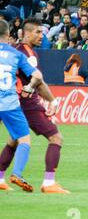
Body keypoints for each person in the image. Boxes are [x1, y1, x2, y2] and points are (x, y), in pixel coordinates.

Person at [0, 18, 70, 194]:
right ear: (25, 33)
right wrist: (52, 100)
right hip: (26, 104)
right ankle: (48, 183)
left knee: (14, 140)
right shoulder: (27, 54)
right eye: (37, 32)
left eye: (42, 32)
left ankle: (0, 178)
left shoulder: (14, 50)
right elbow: (37, 80)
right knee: (56, 138)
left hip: (11, 102)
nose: (41, 36)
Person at [0, 19, 43, 192]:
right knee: (24, 140)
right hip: (9, 103)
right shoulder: (16, 54)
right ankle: (16, 173)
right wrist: (29, 87)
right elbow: (37, 75)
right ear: (9, 35)